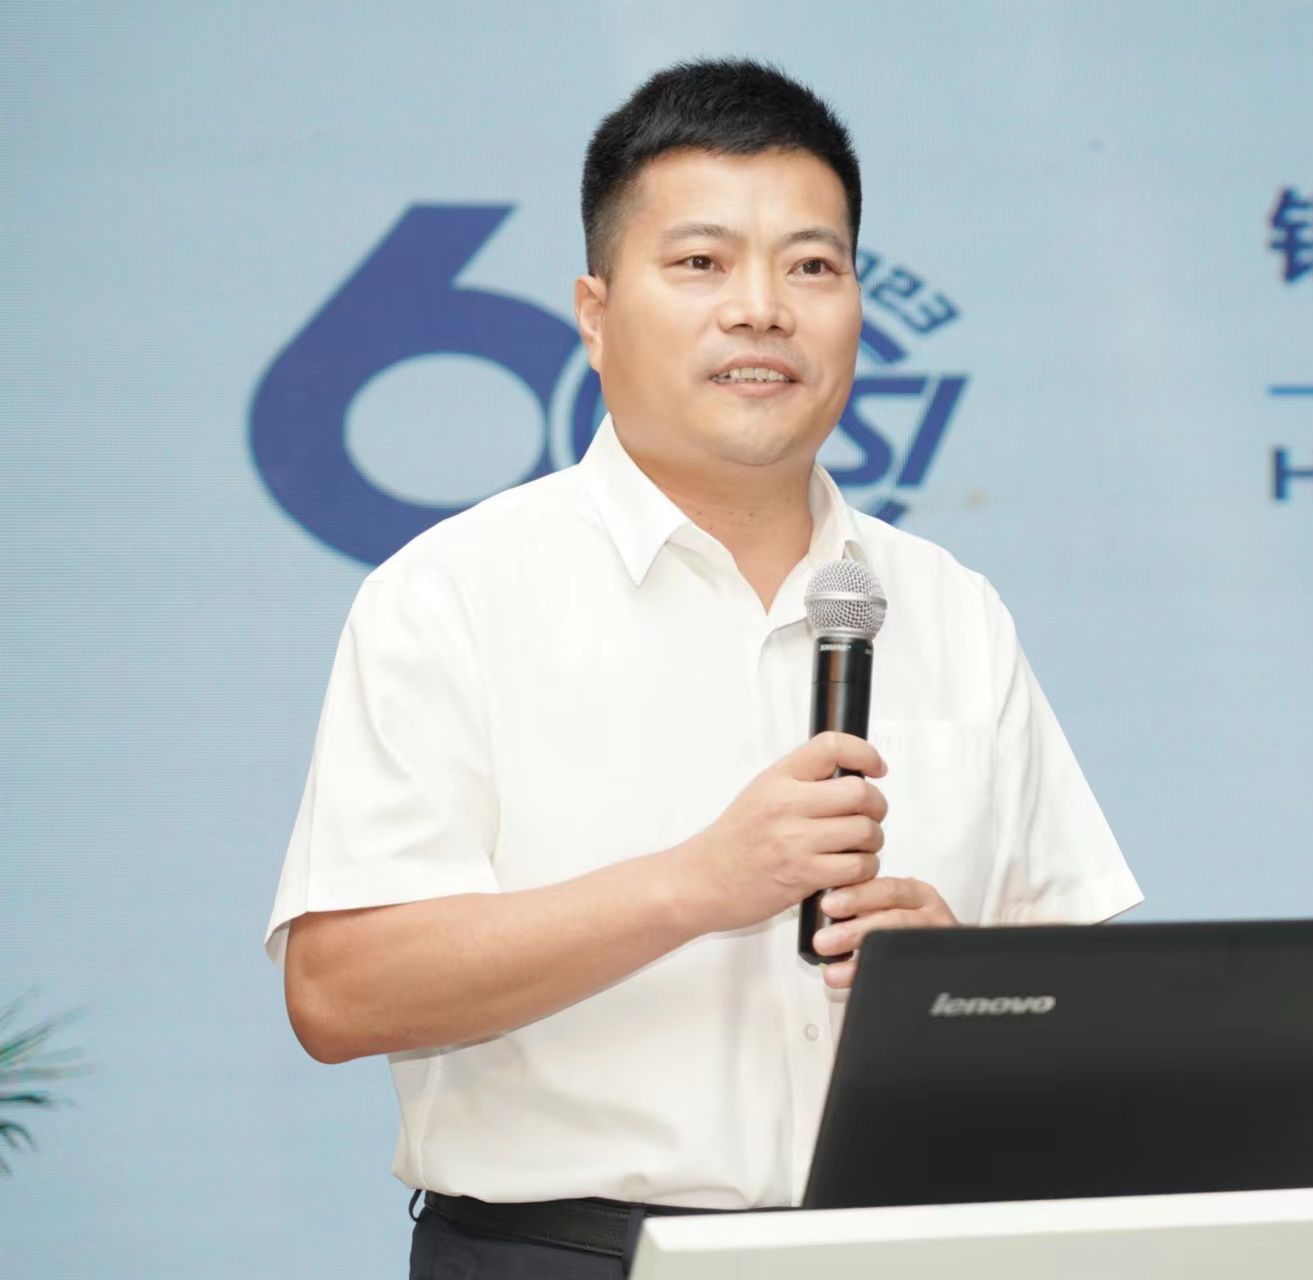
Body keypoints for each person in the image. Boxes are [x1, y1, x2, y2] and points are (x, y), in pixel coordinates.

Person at [263, 58, 1141, 1277]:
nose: (761, 309)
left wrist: (957, 984)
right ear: (594, 312)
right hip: (568, 1253)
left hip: (909, 1247)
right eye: (700, 262)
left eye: (812, 266)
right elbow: (339, 991)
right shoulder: (452, 593)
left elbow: (1086, 1009)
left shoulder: (950, 607)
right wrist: (697, 882)